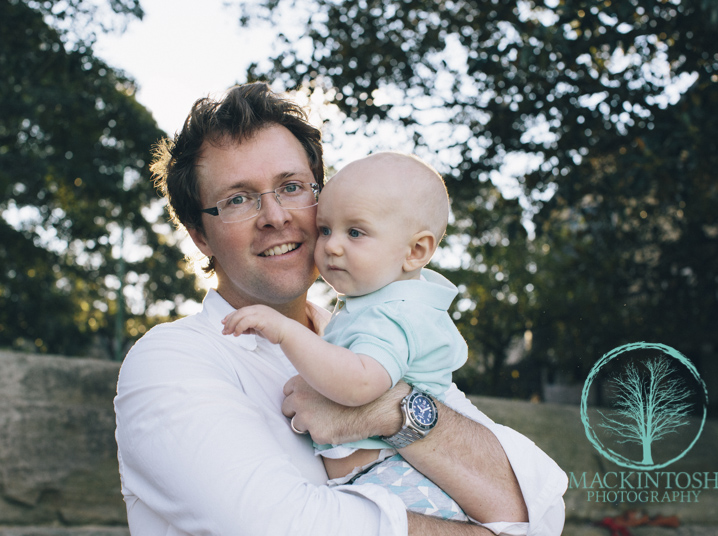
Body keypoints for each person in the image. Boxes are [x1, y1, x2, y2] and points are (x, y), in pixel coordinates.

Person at [114, 82, 567, 536]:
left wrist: (389, 409)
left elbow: (536, 506)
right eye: (238, 199)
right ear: (198, 235)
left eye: (292, 187)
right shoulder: (170, 361)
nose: (275, 216)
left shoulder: (372, 327)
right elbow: (279, 527)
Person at [221, 151, 471, 520]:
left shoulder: (395, 313)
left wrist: (287, 332)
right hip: (379, 477)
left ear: (415, 251)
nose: (332, 246)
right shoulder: (376, 304)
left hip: (400, 480)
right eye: (325, 230)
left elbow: (360, 383)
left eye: (355, 232)